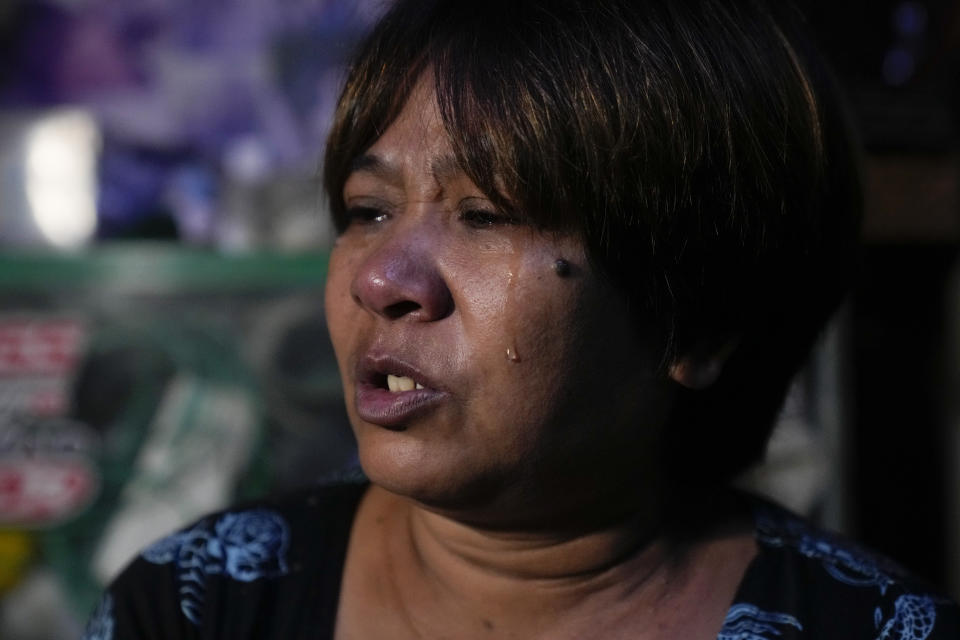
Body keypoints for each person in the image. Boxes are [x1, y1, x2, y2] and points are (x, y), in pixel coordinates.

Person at [83, 0, 960, 638]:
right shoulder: (202, 604)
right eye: (368, 210)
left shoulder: (876, 630)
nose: (383, 279)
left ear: (697, 321)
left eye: (487, 215)